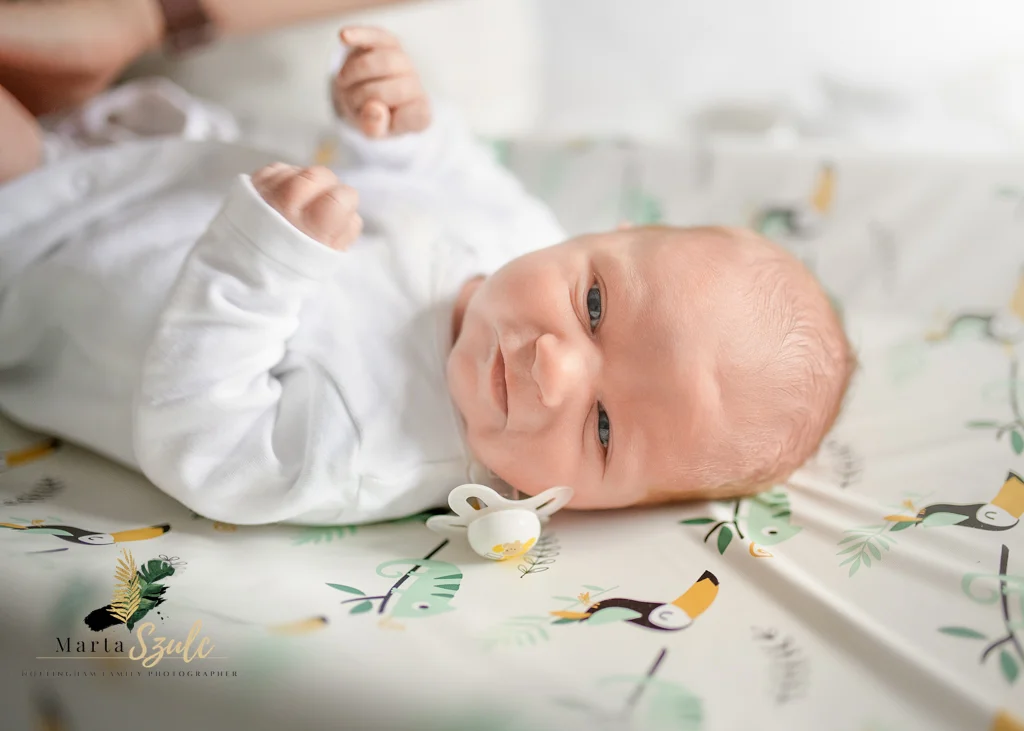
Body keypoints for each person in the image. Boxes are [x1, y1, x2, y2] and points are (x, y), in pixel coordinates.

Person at [0, 27, 854, 525]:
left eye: (600, 429)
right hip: (151, 157)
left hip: (36, 267)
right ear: (605, 236)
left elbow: (210, 449)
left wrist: (259, 267)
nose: (555, 367)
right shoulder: (525, 233)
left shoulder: (384, 448)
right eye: (594, 306)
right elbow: (448, 172)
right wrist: (397, 119)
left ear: (599, 506)